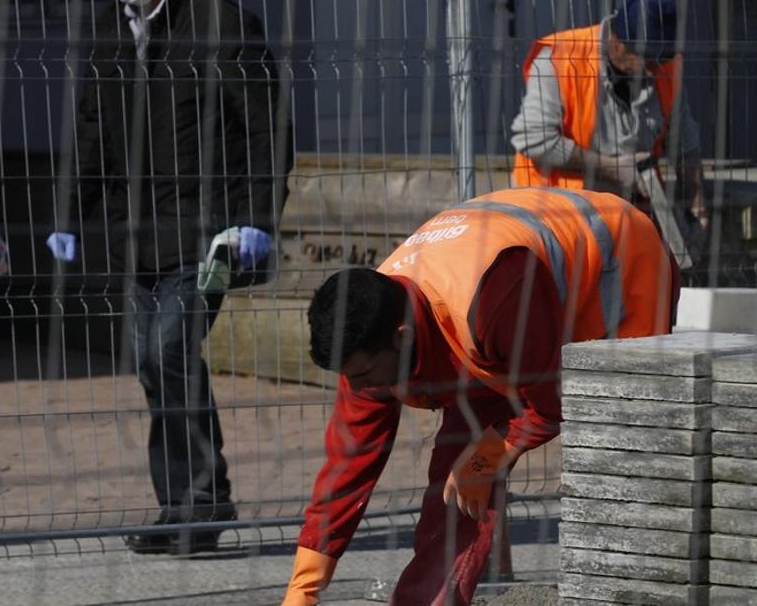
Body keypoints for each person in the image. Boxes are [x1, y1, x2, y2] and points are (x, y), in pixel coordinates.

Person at [281, 187, 676, 605]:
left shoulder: (495, 294)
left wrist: (490, 452)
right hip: (504, 329)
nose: (358, 389)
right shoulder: (367, 335)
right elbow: (349, 466)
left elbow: (553, 401)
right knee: (456, 489)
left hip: (622, 261)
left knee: (624, 446)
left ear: (402, 339)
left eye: (361, 375)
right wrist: (303, 588)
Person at [44, 0, 292, 554]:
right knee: (153, 368)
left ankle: (203, 502)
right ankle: (181, 505)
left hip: (211, 242)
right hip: (137, 241)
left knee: (170, 351)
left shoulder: (222, 25)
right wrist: (69, 216)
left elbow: (266, 131)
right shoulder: (108, 33)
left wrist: (257, 218)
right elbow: (92, 131)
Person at [509, 0, 709, 263]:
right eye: (648, 60)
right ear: (617, 44)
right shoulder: (558, 59)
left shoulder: (664, 67)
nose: (655, 70)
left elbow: (685, 145)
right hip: (552, 218)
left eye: (662, 60)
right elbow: (534, 140)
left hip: (623, 218)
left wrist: (698, 211)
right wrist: (614, 168)